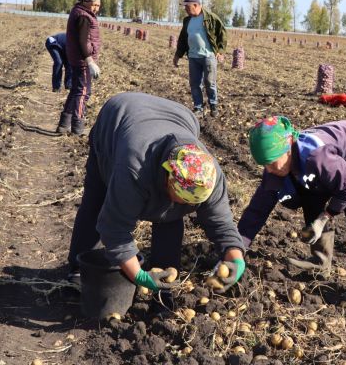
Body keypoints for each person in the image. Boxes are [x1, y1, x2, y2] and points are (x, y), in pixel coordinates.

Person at [66, 92, 244, 310]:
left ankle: (164, 286)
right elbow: (114, 228)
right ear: (168, 176)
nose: (182, 206)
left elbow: (221, 223)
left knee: (169, 217)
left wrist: (236, 259)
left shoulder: (209, 174)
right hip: (117, 118)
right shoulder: (133, 168)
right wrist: (139, 276)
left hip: (177, 116)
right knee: (97, 201)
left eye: (190, 204)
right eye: (180, 198)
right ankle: (77, 269)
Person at [237, 117, 346, 302]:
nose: (270, 169)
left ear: (288, 147)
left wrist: (324, 218)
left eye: (273, 162)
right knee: (309, 192)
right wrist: (236, 250)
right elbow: (257, 211)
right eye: (264, 164)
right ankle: (320, 262)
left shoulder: (317, 157)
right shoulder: (275, 164)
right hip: (340, 160)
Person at [56, 0, 102, 136]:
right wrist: (90, 61)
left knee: (76, 90)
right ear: (86, 2)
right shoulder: (84, 16)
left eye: (98, 5)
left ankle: (64, 125)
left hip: (76, 58)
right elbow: (82, 41)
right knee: (83, 92)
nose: (96, 8)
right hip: (82, 60)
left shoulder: (78, 12)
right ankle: (77, 126)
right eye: (94, 4)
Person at [173, 0, 227, 117]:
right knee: (194, 83)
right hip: (193, 57)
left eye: (187, 7)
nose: (185, 9)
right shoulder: (187, 21)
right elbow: (182, 39)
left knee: (209, 82)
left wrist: (220, 51)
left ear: (195, 5)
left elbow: (222, 33)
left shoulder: (211, 18)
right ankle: (198, 107)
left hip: (208, 56)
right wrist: (178, 55)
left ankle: (213, 105)